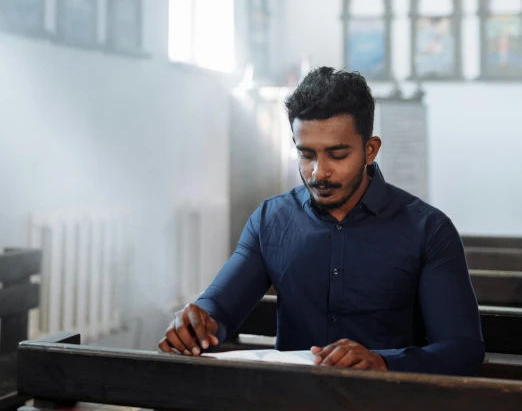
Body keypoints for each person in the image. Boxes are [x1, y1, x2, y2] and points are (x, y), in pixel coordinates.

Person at [159, 68, 484, 375]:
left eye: (338, 155)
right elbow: (220, 306)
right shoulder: (271, 220)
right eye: (307, 154)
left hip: (386, 406)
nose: (319, 173)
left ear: (370, 150)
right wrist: (198, 321)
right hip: (291, 404)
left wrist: (382, 363)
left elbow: (462, 349)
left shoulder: (428, 230)